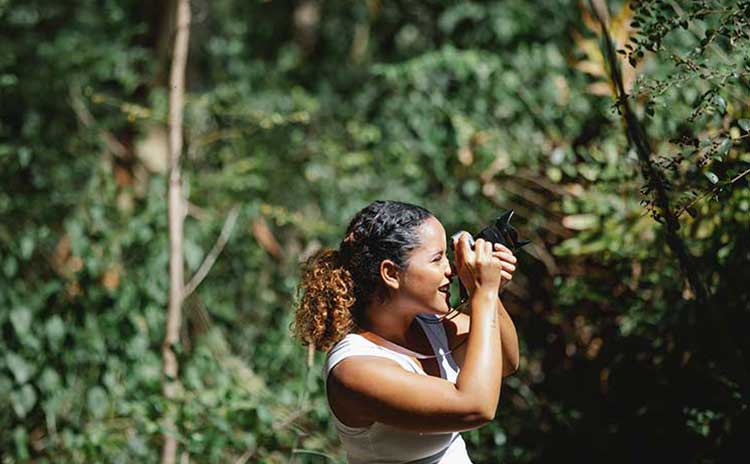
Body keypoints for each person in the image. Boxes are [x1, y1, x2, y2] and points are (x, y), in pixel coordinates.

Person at [292, 200, 520, 463]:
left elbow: (505, 360)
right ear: (391, 273)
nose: (451, 270)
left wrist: (483, 291)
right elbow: (476, 407)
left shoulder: (429, 325)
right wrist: (485, 294)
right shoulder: (354, 369)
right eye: (437, 259)